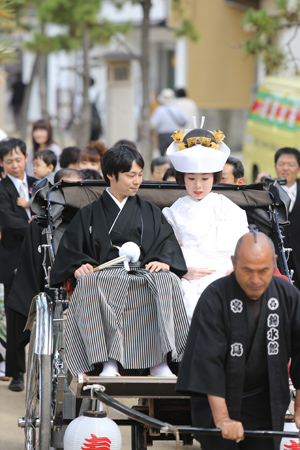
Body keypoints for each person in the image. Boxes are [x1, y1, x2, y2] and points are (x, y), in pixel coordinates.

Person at [50, 144, 189, 377]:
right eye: (130, 175)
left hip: (143, 272)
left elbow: (165, 242)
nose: (136, 181)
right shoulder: (89, 213)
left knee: (167, 280)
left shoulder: (149, 211)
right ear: (110, 176)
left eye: (140, 175)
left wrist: (164, 261)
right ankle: (108, 362)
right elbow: (71, 251)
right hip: (103, 273)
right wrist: (78, 267)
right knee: (90, 283)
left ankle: (159, 361)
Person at [177, 231, 300, 450]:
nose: (255, 280)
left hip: (266, 399)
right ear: (234, 263)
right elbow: (207, 362)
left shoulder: (287, 295)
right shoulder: (215, 296)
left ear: (274, 262)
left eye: (264, 271)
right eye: (247, 271)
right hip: (220, 397)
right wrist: (223, 418)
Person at [162, 128, 249, 321]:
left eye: (205, 178)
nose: (198, 186)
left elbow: (242, 247)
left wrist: (237, 268)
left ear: (215, 177)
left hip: (224, 275)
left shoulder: (230, 209)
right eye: (191, 178)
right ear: (182, 177)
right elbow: (166, 252)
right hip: (185, 278)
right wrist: (182, 270)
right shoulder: (172, 212)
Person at [0, 138, 36, 391]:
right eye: (9, 161)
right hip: (13, 258)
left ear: (26, 158)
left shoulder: (37, 185)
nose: (14, 165)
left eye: (18, 159)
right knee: (15, 316)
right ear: (1, 164)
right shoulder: (2, 189)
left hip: (39, 259)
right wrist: (36, 227)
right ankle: (17, 372)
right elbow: (9, 221)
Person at [272, 147, 300, 290]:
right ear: (275, 166)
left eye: (291, 164)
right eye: (281, 164)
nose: (285, 168)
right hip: (277, 262)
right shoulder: (268, 195)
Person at [150, 88, 189, 156]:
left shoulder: (159, 109)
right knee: (174, 155)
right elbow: (186, 119)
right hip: (175, 135)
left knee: (162, 155)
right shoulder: (176, 108)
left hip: (163, 135)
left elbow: (153, 124)